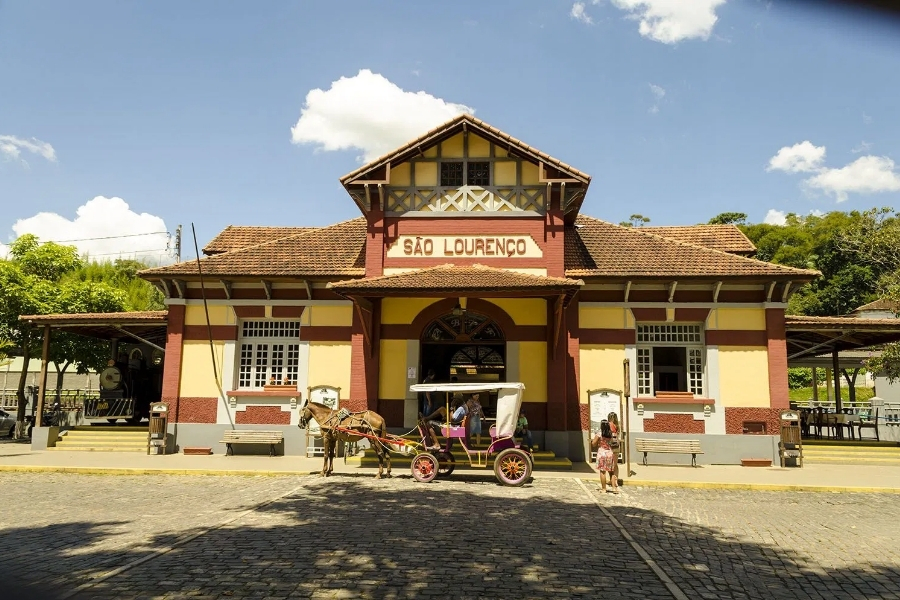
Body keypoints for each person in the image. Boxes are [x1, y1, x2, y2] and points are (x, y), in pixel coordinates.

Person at [592, 419, 619, 494]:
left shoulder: (600, 433)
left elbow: (593, 443)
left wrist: (597, 443)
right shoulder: (611, 433)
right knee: (611, 472)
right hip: (610, 453)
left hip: (602, 453)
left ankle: (604, 489)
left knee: (602, 472)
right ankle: (614, 488)